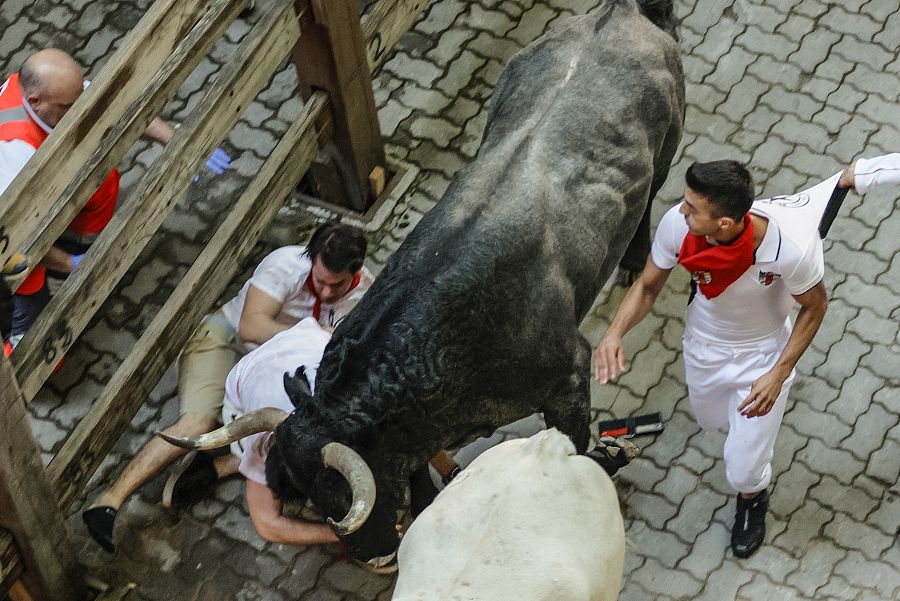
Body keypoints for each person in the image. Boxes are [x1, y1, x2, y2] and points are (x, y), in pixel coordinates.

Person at [82, 221, 372, 553]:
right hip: (227, 342)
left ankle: (216, 467)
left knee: (294, 434)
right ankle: (109, 502)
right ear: (311, 258)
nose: (325, 293)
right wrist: (311, 334)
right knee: (197, 425)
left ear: (357, 271)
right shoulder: (285, 265)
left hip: (275, 369)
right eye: (320, 282)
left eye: (337, 286)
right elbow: (250, 327)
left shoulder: (367, 292)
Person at [594, 160, 830, 559]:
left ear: (724, 223)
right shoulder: (678, 225)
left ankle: (752, 498)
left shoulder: (789, 250)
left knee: (743, 467)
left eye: (692, 208)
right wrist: (614, 332)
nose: (680, 211)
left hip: (763, 356)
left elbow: (815, 306)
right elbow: (649, 285)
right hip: (705, 345)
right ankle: (744, 439)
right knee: (710, 419)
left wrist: (778, 372)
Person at [0, 48, 231, 349]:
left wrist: (176, 140)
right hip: (11, 245)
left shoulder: (50, 93)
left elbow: (115, 107)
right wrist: (70, 264)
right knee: (36, 350)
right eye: (72, 106)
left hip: (44, 208)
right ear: (35, 102)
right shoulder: (14, 154)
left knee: (99, 182)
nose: (82, 109)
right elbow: (10, 244)